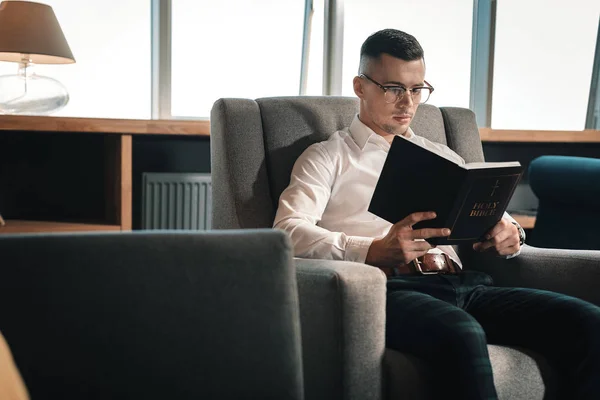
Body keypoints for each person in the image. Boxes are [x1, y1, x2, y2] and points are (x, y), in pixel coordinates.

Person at [273, 28, 600, 399]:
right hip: (386, 290)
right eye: (394, 88)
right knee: (462, 333)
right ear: (361, 87)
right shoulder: (328, 156)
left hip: (464, 284)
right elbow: (286, 231)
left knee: (588, 323)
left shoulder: (443, 157)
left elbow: (491, 216)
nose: (408, 103)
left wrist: (511, 234)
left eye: (417, 89)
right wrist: (371, 249)